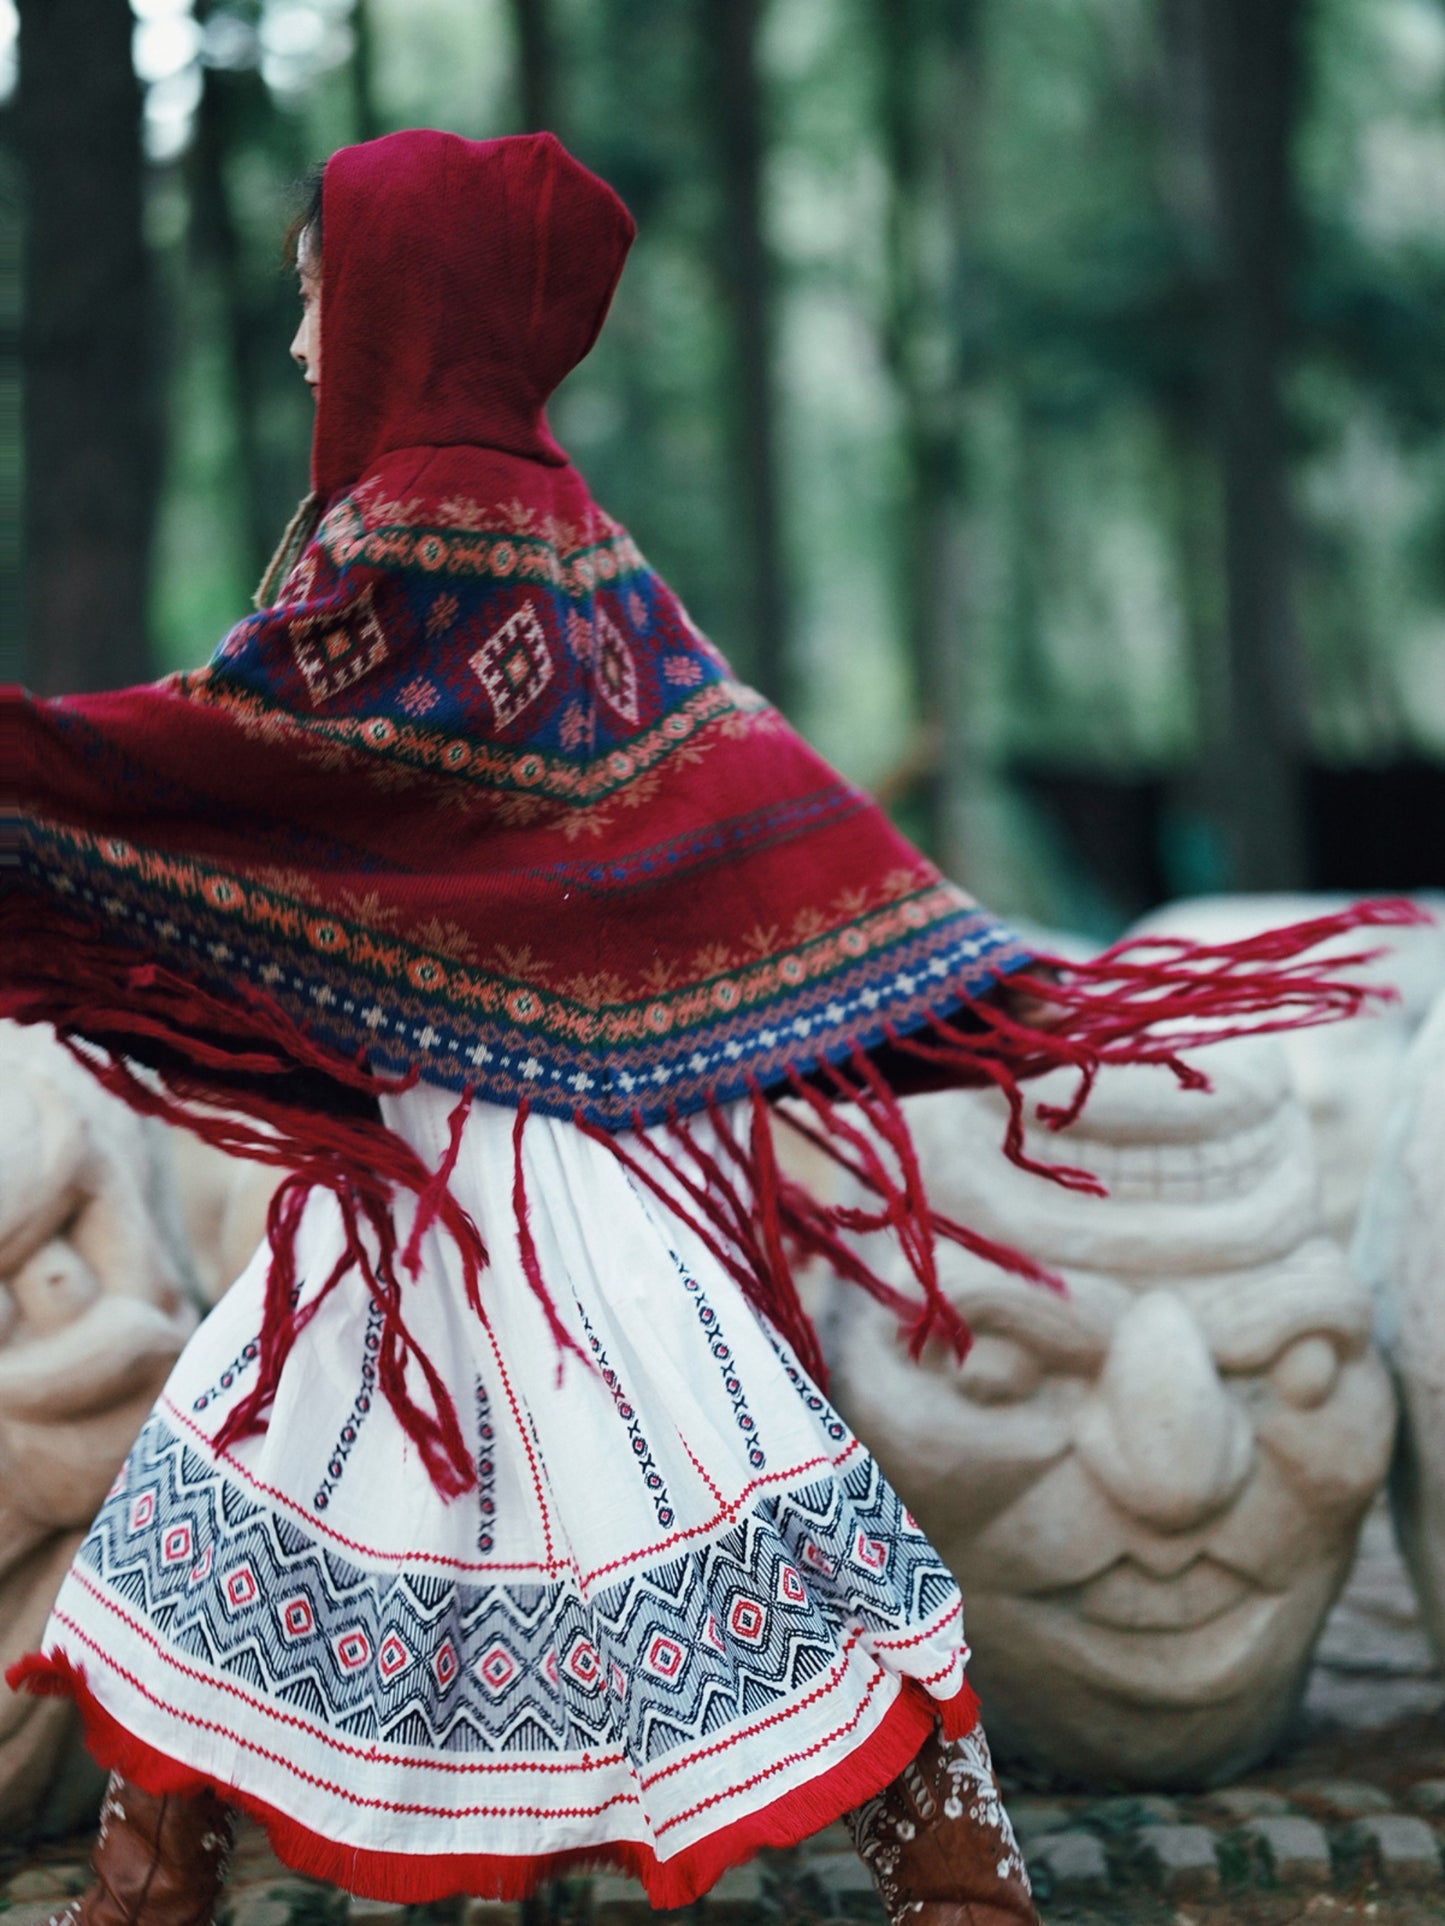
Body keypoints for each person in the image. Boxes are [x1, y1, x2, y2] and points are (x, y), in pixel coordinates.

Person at [2, 129, 1405, 1926]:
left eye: (316, 296)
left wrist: (44, 777)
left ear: (403, 300)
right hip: (459, 1131)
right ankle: (152, 1872)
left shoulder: (435, 515)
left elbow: (266, 760)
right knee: (271, 1442)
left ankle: (956, 1877)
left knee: (692, 1453)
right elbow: (701, 773)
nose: (298, 343)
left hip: (519, 1143)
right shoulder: (554, 523)